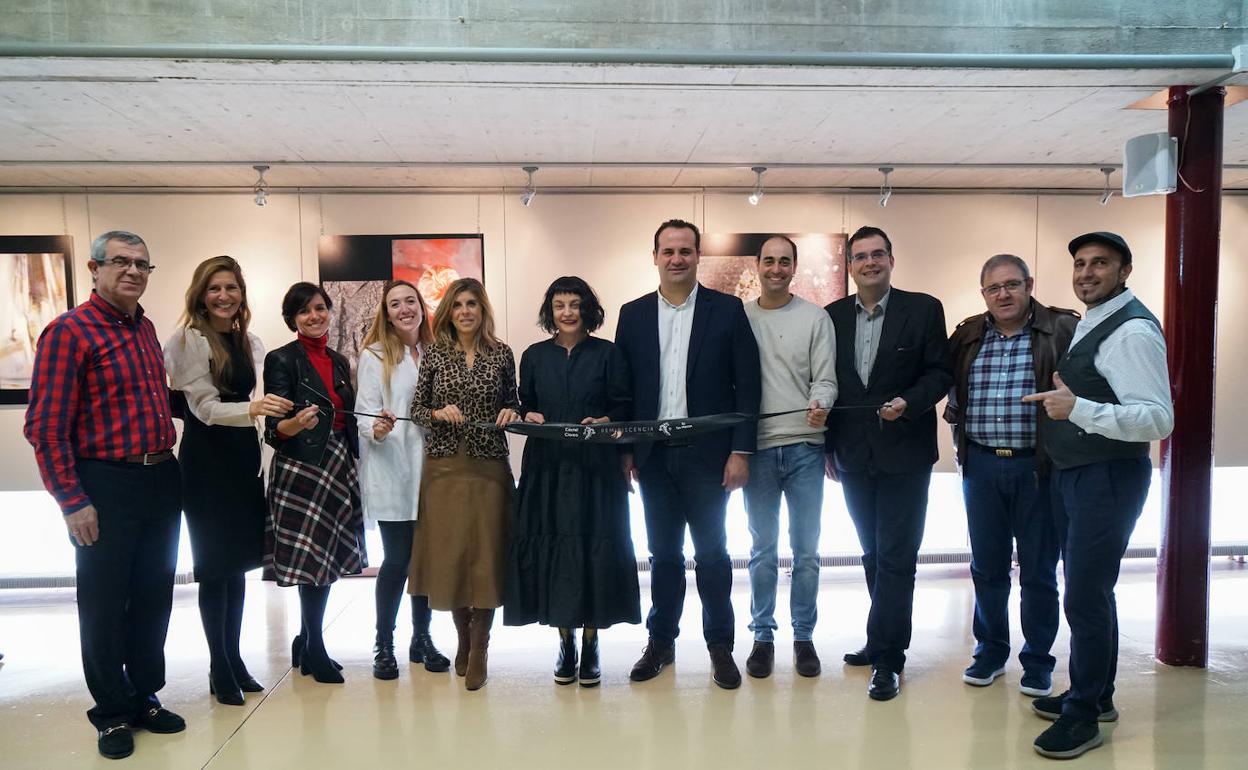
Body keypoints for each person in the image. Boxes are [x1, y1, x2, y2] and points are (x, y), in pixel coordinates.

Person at [24, 231, 186, 760]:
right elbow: (46, 428)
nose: (133, 271)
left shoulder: (145, 328)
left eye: (142, 264)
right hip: (106, 484)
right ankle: (112, 712)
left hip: (160, 477)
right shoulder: (69, 332)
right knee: (104, 603)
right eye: (121, 261)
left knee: (153, 597)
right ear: (95, 269)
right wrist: (72, 501)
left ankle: (144, 697)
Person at [1023, 232, 1173, 760]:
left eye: (1100, 264)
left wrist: (1078, 409)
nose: (1086, 273)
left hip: (1106, 478)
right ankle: (1096, 694)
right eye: (1080, 264)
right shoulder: (1097, 319)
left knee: (1085, 595)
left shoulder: (1131, 330)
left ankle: (1083, 715)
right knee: (1090, 591)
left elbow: (1157, 418)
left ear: (1124, 270)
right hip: (1078, 475)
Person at [615, 219, 761, 690]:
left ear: (698, 256)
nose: (676, 258)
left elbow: (747, 385)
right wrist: (626, 450)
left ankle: (720, 647)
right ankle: (661, 642)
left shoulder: (727, 310)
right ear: (655, 257)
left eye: (685, 250)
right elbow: (624, 390)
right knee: (663, 556)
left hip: (709, 458)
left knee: (713, 555)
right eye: (668, 251)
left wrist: (741, 450)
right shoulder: (633, 314)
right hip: (654, 458)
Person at [823, 225, 952, 701]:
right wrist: (827, 447)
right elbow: (828, 381)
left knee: (897, 556)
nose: (870, 263)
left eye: (878, 254)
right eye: (860, 256)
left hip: (905, 453)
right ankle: (881, 636)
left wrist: (909, 403)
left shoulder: (924, 309)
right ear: (850, 266)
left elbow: (940, 373)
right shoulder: (833, 316)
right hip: (852, 456)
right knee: (873, 554)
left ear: (892, 260)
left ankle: (889, 658)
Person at [945, 254, 1077, 698]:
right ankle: (990, 650)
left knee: (1039, 569)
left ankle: (1037, 661)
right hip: (981, 465)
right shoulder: (967, 335)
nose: (1003, 294)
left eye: (1012, 285)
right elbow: (945, 385)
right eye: (993, 288)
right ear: (983, 293)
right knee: (987, 567)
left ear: (1029, 285)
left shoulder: (1061, 329)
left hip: (1037, 467)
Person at [164, 256, 292, 705]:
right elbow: (204, 410)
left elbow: (242, 404)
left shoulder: (249, 341)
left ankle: (233, 658)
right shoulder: (187, 340)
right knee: (215, 568)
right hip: (206, 463)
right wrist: (254, 409)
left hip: (242, 460)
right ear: (201, 295)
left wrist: (258, 413)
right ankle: (218, 666)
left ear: (241, 294)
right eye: (215, 288)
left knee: (237, 566)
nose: (224, 296)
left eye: (231, 288)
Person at [503, 276, 641, 687]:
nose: (567, 312)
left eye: (574, 304)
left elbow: (624, 407)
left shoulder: (609, 354)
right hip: (547, 467)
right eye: (559, 305)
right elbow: (524, 403)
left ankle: (592, 642)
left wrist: (607, 421)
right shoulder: (534, 356)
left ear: (587, 309)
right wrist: (528, 414)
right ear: (550, 311)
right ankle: (565, 642)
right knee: (555, 548)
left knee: (594, 546)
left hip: (596, 467)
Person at [409, 277, 519, 691]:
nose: (465, 311)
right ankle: (462, 637)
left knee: (487, 555)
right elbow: (417, 409)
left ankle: (480, 647)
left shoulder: (502, 353)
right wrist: (438, 413)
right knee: (453, 556)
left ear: (482, 309)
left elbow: (514, 402)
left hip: (490, 465)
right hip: (444, 467)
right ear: (448, 313)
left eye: (472, 303)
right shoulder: (435, 353)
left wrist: (511, 412)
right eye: (457, 305)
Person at [741, 236, 837, 679]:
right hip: (758, 449)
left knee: (807, 551)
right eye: (769, 261)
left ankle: (803, 637)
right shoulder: (741, 318)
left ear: (794, 267)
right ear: (757, 265)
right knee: (762, 550)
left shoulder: (815, 318)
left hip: (804, 448)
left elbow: (825, 378)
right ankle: (762, 636)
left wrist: (821, 403)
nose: (776, 268)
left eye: (784, 261)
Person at [263, 281, 366, 684]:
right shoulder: (281, 359)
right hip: (302, 467)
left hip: (337, 460)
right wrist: (295, 423)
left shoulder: (339, 361)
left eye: (320, 308)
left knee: (326, 559)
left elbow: (348, 415)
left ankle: (306, 641)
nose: (314, 316)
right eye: (304, 311)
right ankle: (314, 647)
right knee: (312, 563)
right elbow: (275, 429)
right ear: (292, 319)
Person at [355, 280, 450, 680]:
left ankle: (421, 639)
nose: (404, 309)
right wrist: (376, 429)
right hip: (391, 468)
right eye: (395, 304)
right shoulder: (375, 355)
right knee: (397, 560)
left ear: (422, 307)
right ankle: (383, 644)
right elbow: (364, 413)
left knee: (425, 559)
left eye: (411, 301)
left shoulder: (436, 352)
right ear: (387, 313)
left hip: (432, 468)